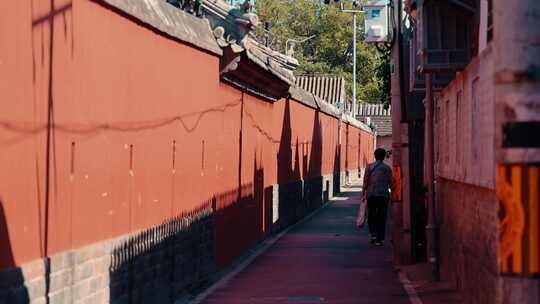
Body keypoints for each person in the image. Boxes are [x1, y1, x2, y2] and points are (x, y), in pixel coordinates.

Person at [362, 148, 392, 246]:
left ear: (375, 156)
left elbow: (365, 181)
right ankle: (380, 239)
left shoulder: (369, 167)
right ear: (384, 157)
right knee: (382, 217)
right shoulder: (387, 168)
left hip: (371, 194)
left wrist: (363, 193)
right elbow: (391, 183)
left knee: (371, 215)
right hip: (383, 195)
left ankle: (373, 234)